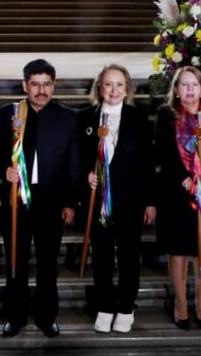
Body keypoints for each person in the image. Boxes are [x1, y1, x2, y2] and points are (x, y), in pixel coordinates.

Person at [0, 59, 79, 338]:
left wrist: (69, 202)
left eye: (46, 84)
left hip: (51, 203)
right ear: (24, 85)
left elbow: (73, 163)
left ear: (53, 85)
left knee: (47, 264)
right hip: (16, 202)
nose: (41, 90)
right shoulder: (9, 113)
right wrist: (3, 171)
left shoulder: (68, 117)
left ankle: (47, 316)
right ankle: (14, 317)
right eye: (35, 84)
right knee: (16, 262)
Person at [78, 65, 155, 333]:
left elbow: (148, 163)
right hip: (98, 202)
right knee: (101, 256)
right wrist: (85, 176)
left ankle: (126, 306)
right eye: (108, 84)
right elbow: (76, 159)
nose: (113, 90)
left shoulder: (139, 118)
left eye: (119, 84)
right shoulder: (86, 118)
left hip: (130, 201)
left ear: (127, 89)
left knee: (129, 256)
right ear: (100, 87)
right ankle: (104, 305)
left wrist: (149, 201)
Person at [155, 66, 201, 331]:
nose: (190, 90)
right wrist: (185, 179)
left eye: (194, 84)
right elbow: (163, 151)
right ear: (176, 89)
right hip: (176, 193)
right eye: (184, 85)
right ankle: (181, 303)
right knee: (180, 249)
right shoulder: (166, 115)